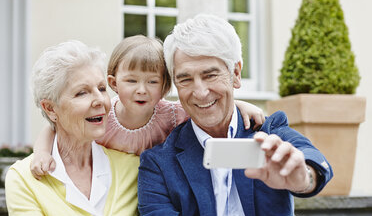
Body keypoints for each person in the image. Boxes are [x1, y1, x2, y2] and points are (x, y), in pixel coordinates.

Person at [137, 14, 333, 216]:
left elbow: (314, 161)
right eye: (185, 79)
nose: (200, 92)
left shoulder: (268, 131)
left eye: (210, 75)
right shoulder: (158, 165)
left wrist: (303, 179)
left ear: (236, 74)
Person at [30, 35, 266, 178]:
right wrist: (41, 152)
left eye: (152, 82)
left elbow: (204, 106)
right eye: (131, 81)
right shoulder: (103, 114)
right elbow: (53, 126)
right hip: (113, 192)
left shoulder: (172, 114)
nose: (141, 89)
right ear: (113, 83)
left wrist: (238, 105)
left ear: (164, 87)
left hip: (158, 192)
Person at [5, 41, 140, 216]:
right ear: (50, 109)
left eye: (102, 88)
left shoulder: (132, 168)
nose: (100, 101)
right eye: (82, 92)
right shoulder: (25, 178)